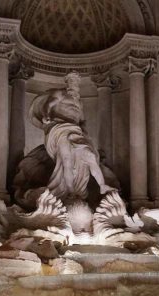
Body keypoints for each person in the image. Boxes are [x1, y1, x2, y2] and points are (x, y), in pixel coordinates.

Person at [29, 71, 114, 201]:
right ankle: (70, 192)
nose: (74, 87)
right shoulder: (60, 94)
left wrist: (85, 134)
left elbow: (81, 121)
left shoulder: (79, 103)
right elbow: (49, 105)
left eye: (76, 84)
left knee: (90, 156)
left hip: (77, 132)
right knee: (66, 160)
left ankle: (102, 185)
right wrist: (46, 115)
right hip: (60, 129)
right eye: (72, 83)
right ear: (68, 84)